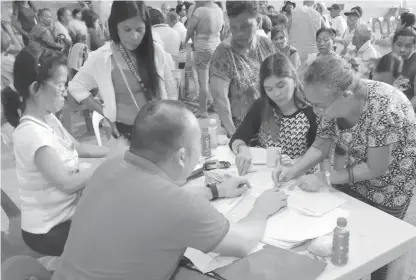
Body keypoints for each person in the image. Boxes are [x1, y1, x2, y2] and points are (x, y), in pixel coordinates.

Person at [52, 100, 288, 280]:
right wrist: (262, 208)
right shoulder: (178, 205)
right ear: (182, 156)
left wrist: (215, 191)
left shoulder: (109, 166)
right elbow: (243, 243)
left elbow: (147, 206)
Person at [273, 55, 416, 280]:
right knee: (347, 229)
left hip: (393, 178)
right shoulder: (328, 102)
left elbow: (376, 168)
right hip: (357, 163)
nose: (315, 111)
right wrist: (293, 170)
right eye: (311, 103)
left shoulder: (383, 107)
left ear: (346, 96)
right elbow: (321, 144)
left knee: (380, 245)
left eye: (319, 105)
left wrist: (327, 178)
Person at [1, 49, 112, 257]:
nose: (65, 91)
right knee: (113, 234)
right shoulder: (31, 133)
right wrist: (108, 164)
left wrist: (113, 150)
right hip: (48, 230)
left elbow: (77, 148)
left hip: (67, 215)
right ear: (35, 88)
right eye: (60, 85)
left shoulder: (48, 118)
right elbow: (67, 183)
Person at [68, 1, 175, 140]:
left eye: (139, 30)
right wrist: (104, 113)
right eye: (127, 29)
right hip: (125, 132)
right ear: (115, 26)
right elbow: (76, 87)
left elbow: (170, 87)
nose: (134, 36)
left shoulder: (154, 51)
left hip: (159, 127)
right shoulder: (102, 58)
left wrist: (174, 120)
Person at [231, 53, 317, 175]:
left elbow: (319, 153)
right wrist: (242, 150)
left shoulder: (311, 110)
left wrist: (295, 162)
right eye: (269, 89)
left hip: (298, 175)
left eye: (281, 86)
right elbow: (237, 138)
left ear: (294, 81)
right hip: (266, 175)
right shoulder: (262, 106)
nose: (276, 94)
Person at [210, 1, 276, 137]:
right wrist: (236, 137)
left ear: (258, 21)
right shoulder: (223, 54)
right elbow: (220, 98)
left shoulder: (266, 45)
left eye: (245, 26)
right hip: (242, 131)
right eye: (234, 28)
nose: (239, 33)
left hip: (270, 127)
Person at [381, 27, 416, 125]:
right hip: (387, 106)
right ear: (392, 45)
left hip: (412, 107)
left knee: (400, 123)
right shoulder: (385, 60)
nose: (402, 50)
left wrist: (400, 112)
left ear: (414, 47)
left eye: (408, 46)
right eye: (399, 45)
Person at [185, 0, 224, 118]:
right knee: (215, 79)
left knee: (203, 82)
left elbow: (190, 29)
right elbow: (222, 28)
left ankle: (203, 110)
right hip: (216, 47)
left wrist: (185, 42)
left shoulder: (200, 11)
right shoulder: (219, 10)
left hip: (202, 48)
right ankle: (216, 106)